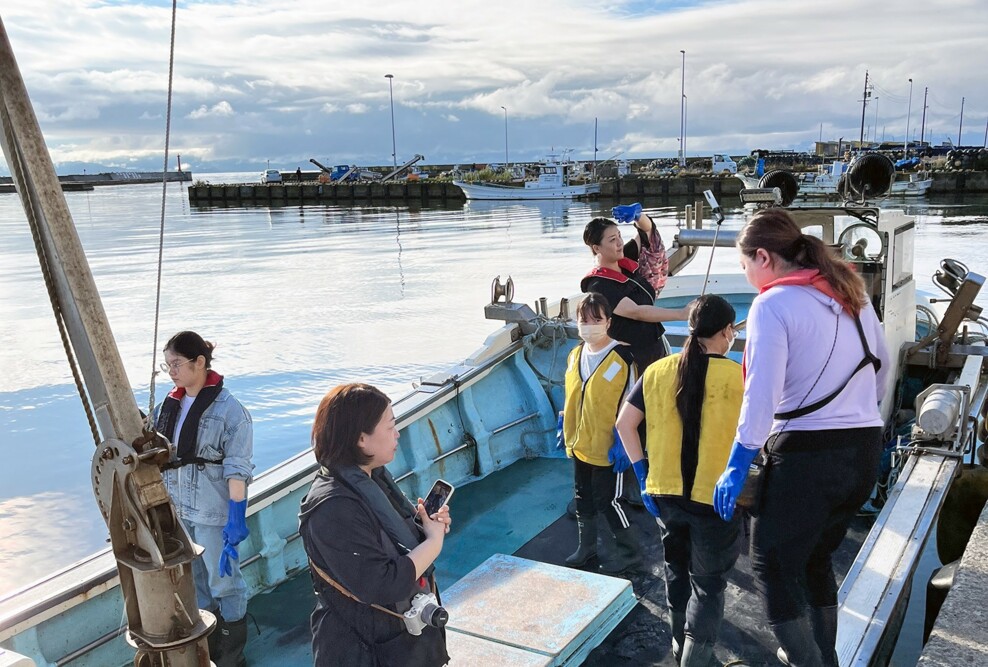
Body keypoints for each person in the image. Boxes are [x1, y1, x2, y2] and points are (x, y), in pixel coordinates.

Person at [712, 209, 891, 667]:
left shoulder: (772, 306)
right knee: (815, 558)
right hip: (864, 449)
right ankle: (821, 656)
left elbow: (761, 398)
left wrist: (737, 463)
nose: (747, 275)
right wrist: (855, 414)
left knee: (771, 567)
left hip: (807, 457)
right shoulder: (852, 293)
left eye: (745, 265)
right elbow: (882, 367)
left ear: (764, 258)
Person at [616, 294, 744, 667]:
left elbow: (625, 424)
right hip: (715, 500)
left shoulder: (656, 371)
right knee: (709, 585)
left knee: (676, 571)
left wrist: (642, 473)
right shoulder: (740, 377)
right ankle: (694, 659)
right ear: (727, 332)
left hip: (664, 495)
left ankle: (678, 644)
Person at [299, 383, 452, 667]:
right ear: (361, 439)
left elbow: (391, 542)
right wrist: (433, 543)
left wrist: (427, 527)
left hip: (402, 645)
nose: (397, 433)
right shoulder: (333, 508)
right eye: (390, 426)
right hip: (362, 651)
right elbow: (382, 585)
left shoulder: (369, 478)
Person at [155, 331, 254, 667]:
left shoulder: (231, 412)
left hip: (213, 512)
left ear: (200, 362)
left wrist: (236, 518)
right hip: (178, 512)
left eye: (177, 364)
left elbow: (237, 469)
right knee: (195, 584)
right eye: (167, 365)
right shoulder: (167, 406)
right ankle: (208, 648)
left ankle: (232, 655)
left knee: (224, 582)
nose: (171, 371)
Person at [561, 292, 641, 575]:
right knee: (583, 497)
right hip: (580, 442)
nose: (590, 325)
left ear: (608, 321)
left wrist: (623, 442)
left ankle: (631, 551)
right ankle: (587, 547)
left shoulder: (622, 357)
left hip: (609, 446)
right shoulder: (574, 355)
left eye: (597, 319)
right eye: (584, 319)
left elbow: (633, 402)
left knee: (609, 501)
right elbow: (571, 396)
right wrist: (564, 423)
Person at [581, 203, 689, 371]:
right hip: (629, 358)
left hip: (654, 348)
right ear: (596, 248)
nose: (619, 243)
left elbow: (648, 233)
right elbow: (636, 311)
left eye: (619, 236)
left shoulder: (624, 261)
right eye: (612, 240)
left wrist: (639, 216)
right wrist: (682, 314)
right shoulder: (598, 284)